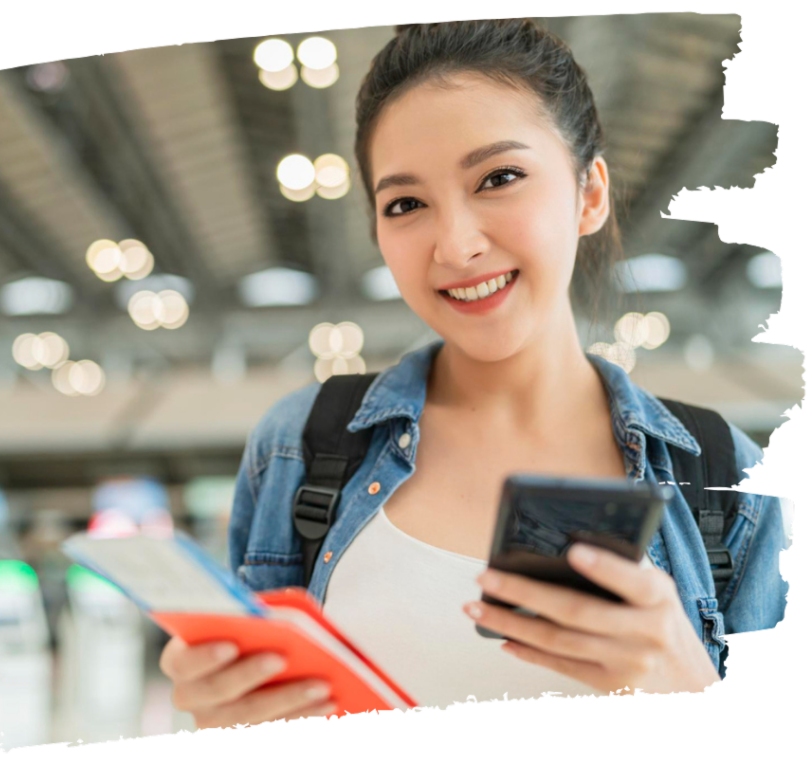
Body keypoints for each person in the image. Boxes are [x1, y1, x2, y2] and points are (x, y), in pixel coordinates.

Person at [159, 18, 788, 728]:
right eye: (406, 204)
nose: (455, 246)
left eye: (499, 178)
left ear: (589, 194)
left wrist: (685, 680)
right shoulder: (301, 449)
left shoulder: (725, 477)